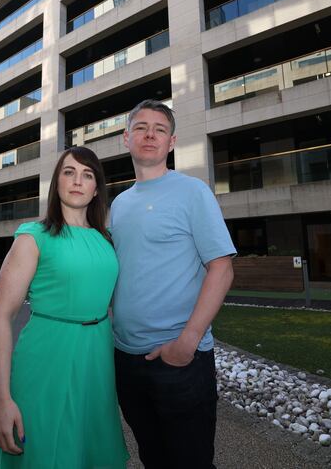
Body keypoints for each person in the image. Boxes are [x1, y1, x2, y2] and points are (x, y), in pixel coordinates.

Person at [111, 99, 236, 468]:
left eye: (159, 129)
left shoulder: (192, 192)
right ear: (126, 138)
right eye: (141, 127)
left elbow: (222, 268)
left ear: (172, 142)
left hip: (180, 361)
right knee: (153, 458)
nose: (150, 134)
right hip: (126, 359)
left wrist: (187, 342)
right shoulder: (117, 204)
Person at [0, 147, 128, 469]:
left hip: (99, 360)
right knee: (45, 451)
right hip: (48, 358)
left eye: (87, 175)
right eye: (69, 172)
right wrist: (1, 400)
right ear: (57, 183)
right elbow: (1, 318)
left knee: (95, 451)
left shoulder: (106, 239)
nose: (78, 181)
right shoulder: (33, 236)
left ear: (96, 189)